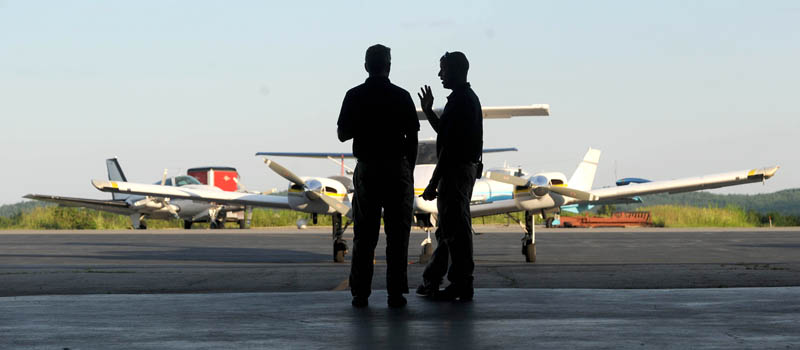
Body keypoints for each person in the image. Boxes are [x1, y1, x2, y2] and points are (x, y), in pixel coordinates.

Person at [337, 44, 419, 308]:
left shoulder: (354, 95)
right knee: (398, 235)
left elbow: (342, 134)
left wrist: (364, 122)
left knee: (364, 233)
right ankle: (396, 293)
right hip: (397, 170)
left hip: (368, 169)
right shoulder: (402, 96)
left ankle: (360, 292)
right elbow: (413, 137)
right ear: (389, 66)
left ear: (366, 66)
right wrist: (410, 169)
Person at [416, 51, 482, 302]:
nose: (439, 74)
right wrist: (430, 112)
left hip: (455, 172)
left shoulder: (460, 102)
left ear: (455, 70)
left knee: (455, 232)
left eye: (443, 69)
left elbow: (449, 149)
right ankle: (435, 278)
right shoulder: (466, 99)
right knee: (449, 229)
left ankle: (460, 282)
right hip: (463, 171)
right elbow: (446, 134)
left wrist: (433, 183)